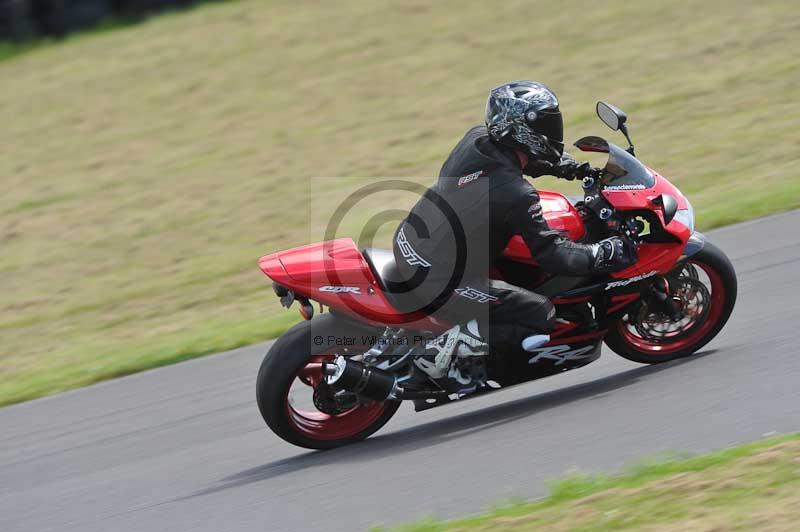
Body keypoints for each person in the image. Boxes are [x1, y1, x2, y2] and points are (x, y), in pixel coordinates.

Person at [392, 80, 637, 391]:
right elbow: (554, 255)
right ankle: (436, 355)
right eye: (546, 124)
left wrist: (573, 168)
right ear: (521, 129)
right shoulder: (516, 195)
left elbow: (522, 160)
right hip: (440, 279)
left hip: (412, 243)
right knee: (539, 312)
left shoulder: (476, 140)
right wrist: (603, 252)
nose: (553, 130)